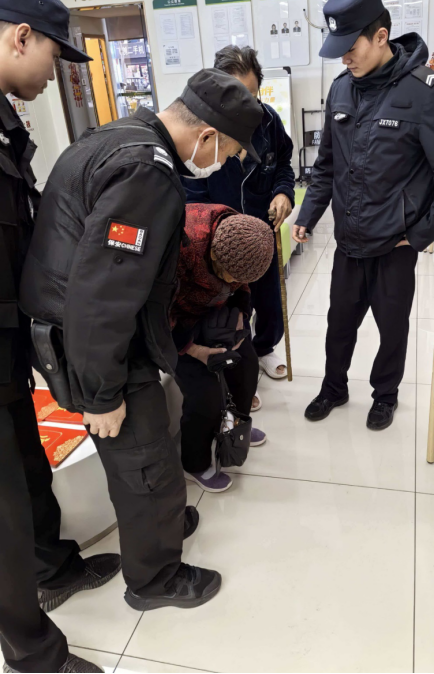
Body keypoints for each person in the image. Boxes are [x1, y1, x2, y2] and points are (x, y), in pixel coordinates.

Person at [19, 68, 263, 614]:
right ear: (207, 135)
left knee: (147, 453)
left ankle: (163, 525)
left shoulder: (117, 136)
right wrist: (102, 392)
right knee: (147, 465)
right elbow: (104, 293)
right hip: (95, 344)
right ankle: (155, 579)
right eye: (227, 152)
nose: (222, 163)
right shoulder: (147, 172)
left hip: (84, 335)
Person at [0, 0, 121, 674]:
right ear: (21, 37)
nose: (56, 74)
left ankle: (55, 566)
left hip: (8, 343)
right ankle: (32, 654)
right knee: (2, 510)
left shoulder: (5, 119)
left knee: (28, 466)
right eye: (54, 55)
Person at [293, 0, 434, 430]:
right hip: (349, 241)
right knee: (338, 324)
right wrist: (307, 216)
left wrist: (420, 234)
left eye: (351, 48)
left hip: (395, 244)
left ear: (381, 36)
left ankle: (385, 396)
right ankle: (334, 387)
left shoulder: (426, 92)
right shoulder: (340, 90)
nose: (344, 59)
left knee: (392, 329)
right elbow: (326, 165)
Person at [183, 45, 295, 411]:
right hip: (219, 245)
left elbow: (283, 164)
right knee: (230, 309)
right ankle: (238, 369)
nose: (246, 105)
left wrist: (283, 192)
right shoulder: (203, 132)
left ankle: (264, 348)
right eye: (236, 96)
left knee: (269, 298)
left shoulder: (268, 121)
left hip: (262, 232)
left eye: (251, 95)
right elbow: (193, 200)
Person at [171, 204, 275, 492]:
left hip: (216, 312)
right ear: (214, 253)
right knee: (204, 396)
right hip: (175, 322)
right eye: (226, 273)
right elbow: (155, 311)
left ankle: (233, 429)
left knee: (247, 368)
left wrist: (241, 312)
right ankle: (194, 463)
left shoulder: (243, 236)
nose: (231, 281)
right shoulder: (179, 245)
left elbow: (241, 285)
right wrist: (193, 350)